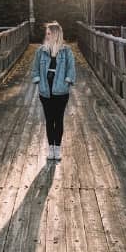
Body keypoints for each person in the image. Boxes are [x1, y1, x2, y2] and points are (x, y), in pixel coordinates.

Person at [31, 22, 76, 161]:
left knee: (59, 119)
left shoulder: (66, 51)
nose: (47, 35)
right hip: (45, 90)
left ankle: (58, 149)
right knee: (49, 120)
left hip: (61, 91)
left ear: (56, 34)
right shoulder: (41, 50)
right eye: (47, 33)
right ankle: (51, 149)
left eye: (49, 33)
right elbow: (35, 68)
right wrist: (37, 80)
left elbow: (71, 69)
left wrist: (67, 81)